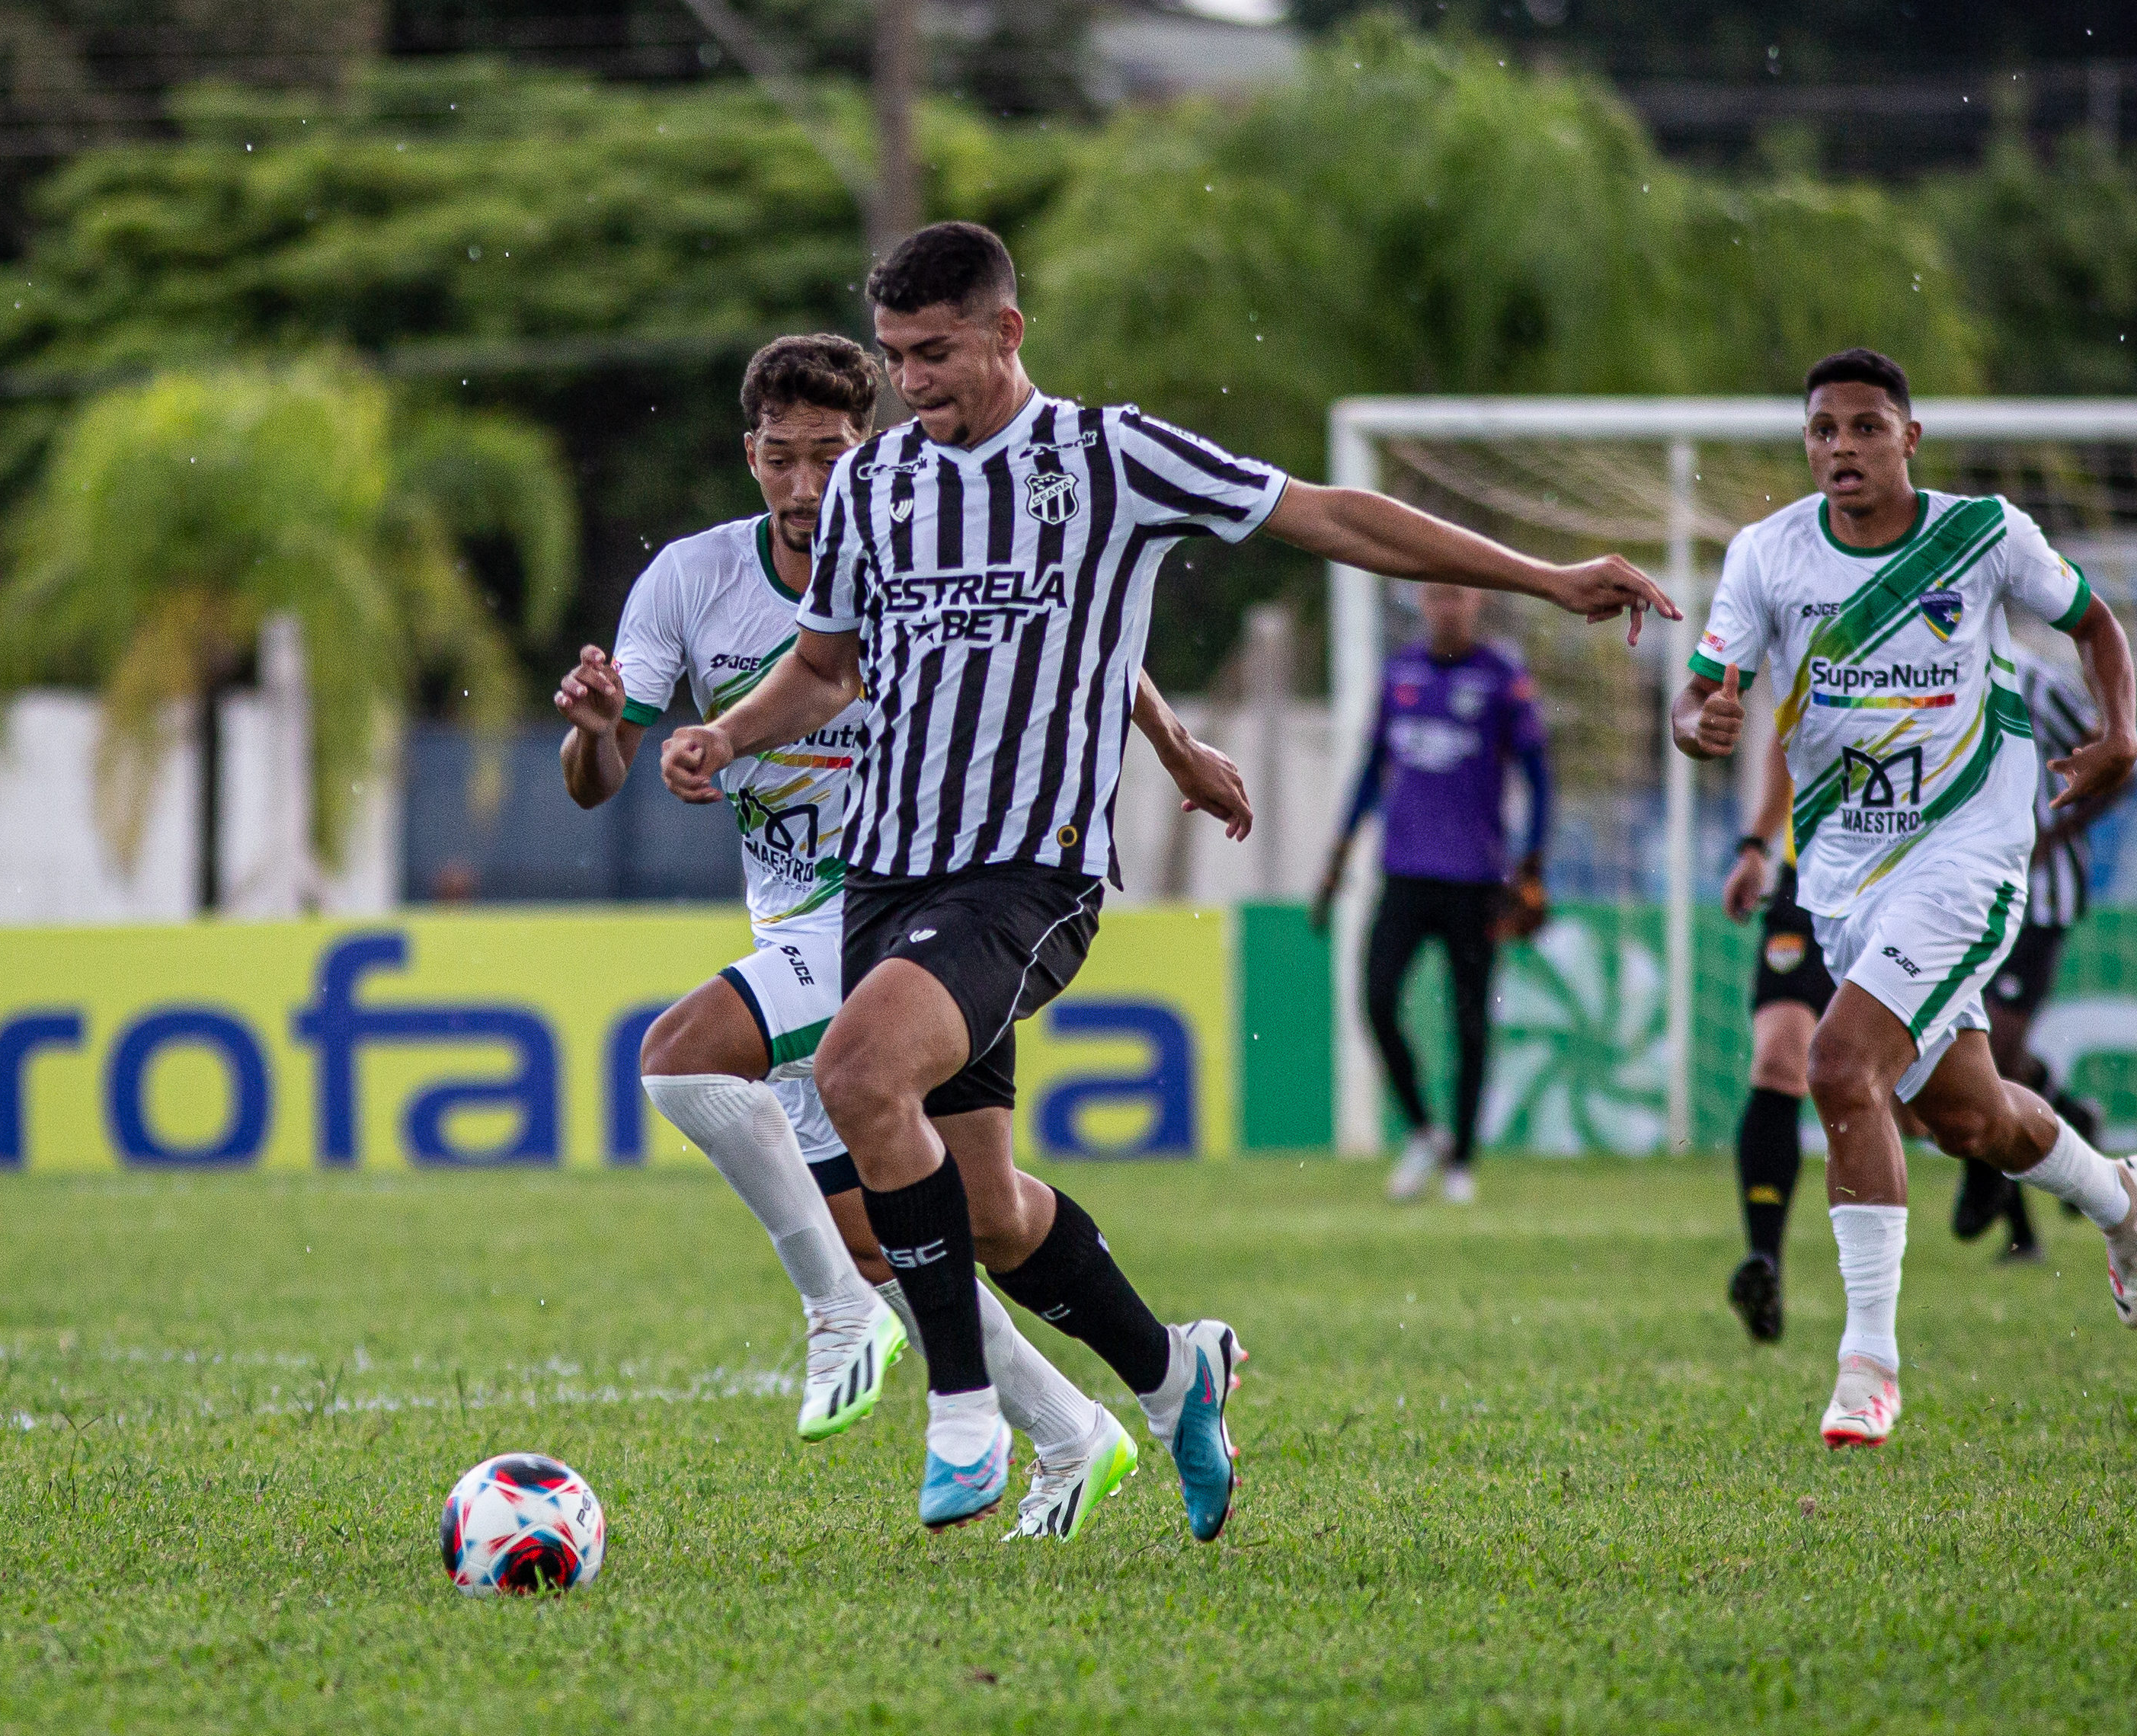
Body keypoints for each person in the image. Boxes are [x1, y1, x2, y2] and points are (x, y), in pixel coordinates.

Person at [664, 221, 1676, 1537]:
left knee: (858, 1072)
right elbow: (829, 661)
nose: (913, 382)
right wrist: (726, 730)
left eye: (937, 353)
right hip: (885, 876)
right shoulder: (873, 489)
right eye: (897, 358)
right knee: (984, 1208)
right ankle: (1171, 1369)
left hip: (1029, 870)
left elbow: (1323, 512)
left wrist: (1538, 575)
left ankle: (964, 1415)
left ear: (1006, 331)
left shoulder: (1108, 457)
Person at [558, 331, 1253, 1542]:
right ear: (751, 455)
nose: (806, 485)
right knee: (965, 1218)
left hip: (905, 897)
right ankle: (1119, 1402)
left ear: (864, 447)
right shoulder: (691, 577)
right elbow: (594, 775)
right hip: (802, 919)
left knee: (680, 1054)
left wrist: (1174, 741)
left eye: (831, 455)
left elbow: (1068, 633)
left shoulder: (911, 536)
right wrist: (598, 728)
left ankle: (839, 1316)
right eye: (781, 458)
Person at [1674, 347, 2137, 1450]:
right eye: (1820, 431)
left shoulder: (1980, 533)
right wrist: (1695, 720)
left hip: (1969, 858)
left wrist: (2118, 731)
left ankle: (1867, 1365)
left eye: (1861, 426)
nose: (1838, 447)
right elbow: (1704, 693)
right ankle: (2116, 1195)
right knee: (1969, 1117)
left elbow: (2092, 624)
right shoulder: (1767, 553)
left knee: (1838, 1065)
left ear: (1909, 437)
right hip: (1841, 874)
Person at [1311, 583, 1552, 1206]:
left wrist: (1532, 863)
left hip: (1477, 879)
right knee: (1376, 999)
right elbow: (1371, 769)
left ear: (1476, 603)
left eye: (1459, 596)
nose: (1449, 607)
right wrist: (1337, 855)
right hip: (1406, 872)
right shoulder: (1402, 672)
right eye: (1439, 596)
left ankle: (1463, 1164)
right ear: (1423, 601)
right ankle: (1425, 1130)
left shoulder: (1502, 676)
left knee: (1469, 1021)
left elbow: (1539, 773)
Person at [1951, 639, 2129, 1258]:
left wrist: (2054, 836)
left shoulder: (2033, 681)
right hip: (1967, 893)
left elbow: (2117, 768)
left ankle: (1989, 1186)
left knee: (1993, 1052)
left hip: (2040, 896)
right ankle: (2067, 1120)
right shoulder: (1925, 673)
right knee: (1973, 1048)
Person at [1717, 740, 1836, 1342]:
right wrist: (1756, 846)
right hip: (1805, 882)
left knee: (1932, 1108)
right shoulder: (1816, 648)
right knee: (1778, 1059)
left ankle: (2027, 1179)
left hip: (1902, 881)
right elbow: (1788, 743)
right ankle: (1765, 1264)